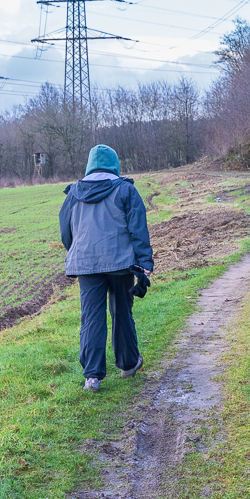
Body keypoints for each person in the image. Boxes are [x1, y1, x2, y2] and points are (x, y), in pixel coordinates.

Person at [59, 144, 154, 392]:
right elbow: (138, 230)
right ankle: (128, 364)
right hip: (121, 263)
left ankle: (92, 377)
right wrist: (145, 263)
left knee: (91, 317)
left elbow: (66, 233)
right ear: (115, 164)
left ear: (90, 165)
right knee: (121, 311)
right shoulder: (125, 190)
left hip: (86, 264)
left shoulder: (73, 193)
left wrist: (78, 251)